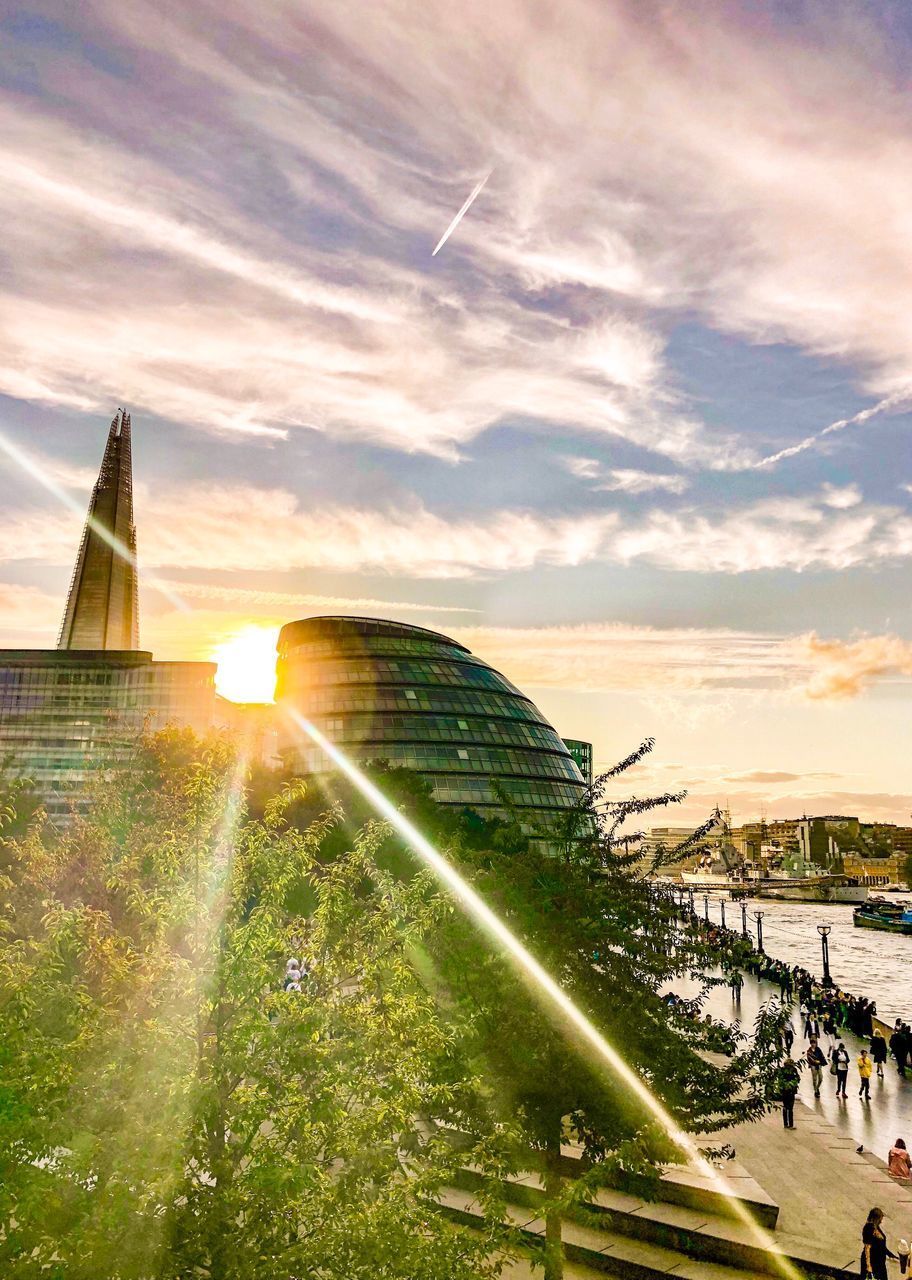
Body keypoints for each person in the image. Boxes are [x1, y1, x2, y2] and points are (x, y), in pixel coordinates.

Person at [860, 1206, 896, 1279]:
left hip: (880, 1263)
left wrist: (890, 1254)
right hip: (873, 1263)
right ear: (875, 1219)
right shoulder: (868, 1229)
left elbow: (880, 1244)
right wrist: (869, 1267)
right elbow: (867, 1248)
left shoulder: (876, 1226)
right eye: (880, 1219)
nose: (881, 1221)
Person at [778, 1058, 801, 1129]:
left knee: (788, 1107)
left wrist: (789, 1085)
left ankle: (788, 1124)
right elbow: (797, 1079)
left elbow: (797, 1078)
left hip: (788, 1091)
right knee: (788, 1107)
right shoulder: (786, 1070)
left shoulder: (792, 1070)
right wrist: (789, 1085)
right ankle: (788, 1124)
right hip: (788, 1091)